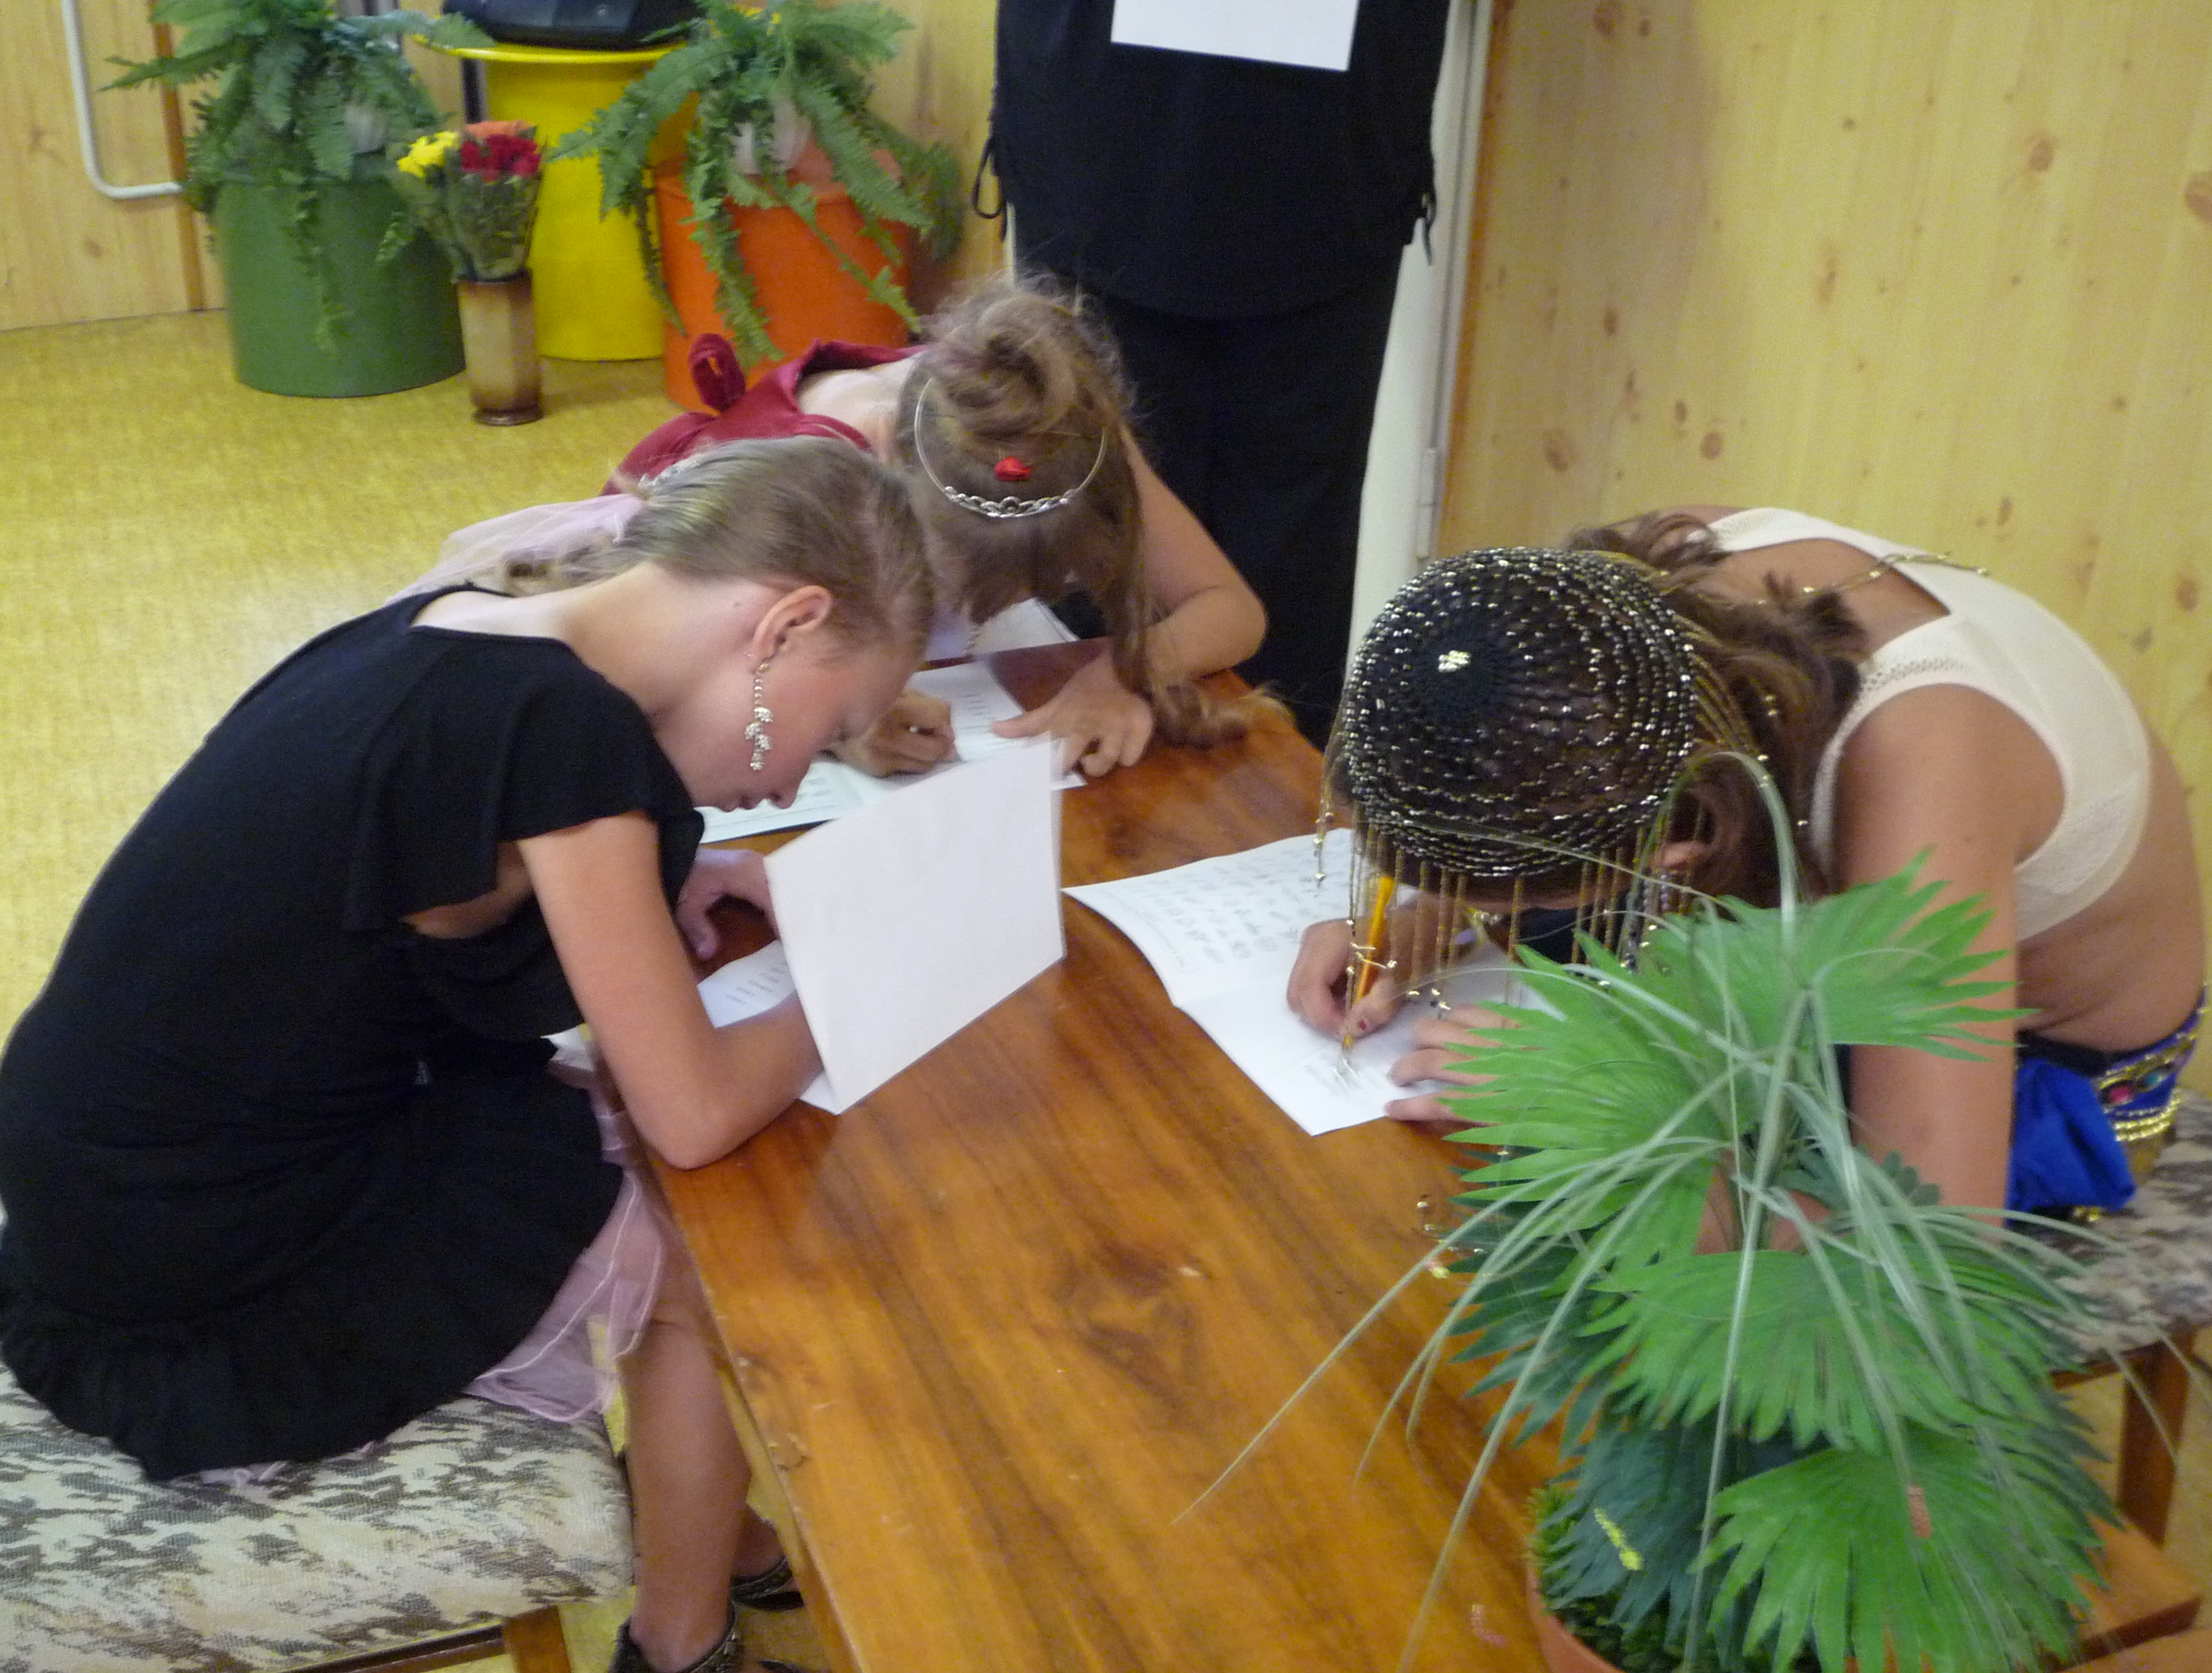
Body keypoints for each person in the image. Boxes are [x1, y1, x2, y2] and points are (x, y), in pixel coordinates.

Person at [0, 438, 932, 1673]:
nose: (807, 767)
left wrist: (669, 872)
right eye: (836, 723)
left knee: (622, 1154)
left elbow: (402, 856)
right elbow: (696, 1110)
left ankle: (710, 1525)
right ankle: (681, 1645)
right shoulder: (565, 733)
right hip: (186, 1247)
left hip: (86, 1170)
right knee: (710, 1250)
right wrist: (870, 976)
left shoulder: (471, 623)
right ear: (785, 625)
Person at [1289, 509, 2206, 1220]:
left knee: (1592, 1247)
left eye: (1503, 895)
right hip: (1853, 945)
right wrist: (1427, 917)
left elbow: (1920, 1238)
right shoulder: (1623, 599)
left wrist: (1599, 1123)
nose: (1478, 910)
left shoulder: (1922, 778)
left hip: (2033, 1078)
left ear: (1676, 861)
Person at [991, 0, 1454, 744]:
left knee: (1292, 571)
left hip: (1327, 156)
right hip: (1095, 135)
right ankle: (1082, 788)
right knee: (1096, 524)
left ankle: (1276, 808)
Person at [602, 275, 1271, 778]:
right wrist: (838, 727)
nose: (990, 610)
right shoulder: (806, 480)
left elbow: (1231, 609)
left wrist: (1118, 672)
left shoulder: (1060, 433)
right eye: (953, 587)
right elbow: (655, 693)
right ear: (889, 472)